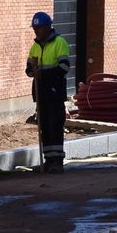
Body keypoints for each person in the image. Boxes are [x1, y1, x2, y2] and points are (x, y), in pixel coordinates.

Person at [25, 11, 70, 174]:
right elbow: (28, 68)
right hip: (41, 93)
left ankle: (57, 161)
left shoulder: (59, 43)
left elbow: (64, 67)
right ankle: (48, 160)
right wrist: (31, 71)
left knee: (55, 126)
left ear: (47, 27)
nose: (36, 31)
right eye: (34, 28)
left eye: (38, 28)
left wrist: (42, 74)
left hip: (54, 92)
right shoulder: (35, 46)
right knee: (44, 127)